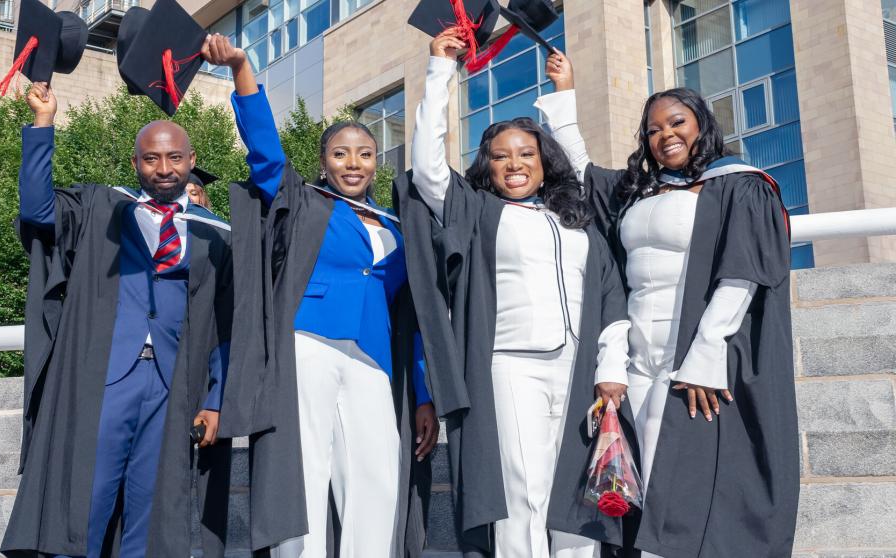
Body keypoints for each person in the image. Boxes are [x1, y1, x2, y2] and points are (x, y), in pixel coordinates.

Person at [536, 51, 800, 558]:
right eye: (653, 130)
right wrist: (565, 92)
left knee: (681, 474)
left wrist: (706, 354)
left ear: (702, 125)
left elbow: (741, 272)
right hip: (638, 354)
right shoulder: (638, 192)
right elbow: (582, 171)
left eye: (677, 122)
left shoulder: (738, 184)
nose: (665, 136)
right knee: (636, 471)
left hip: (693, 353)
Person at [200, 34, 439, 557]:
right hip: (307, 341)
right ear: (324, 160)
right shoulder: (305, 203)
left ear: (377, 160)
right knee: (304, 465)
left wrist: (423, 394)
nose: (353, 163)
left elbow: (413, 314)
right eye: (340, 153)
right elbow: (263, 151)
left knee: (377, 470)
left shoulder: (398, 223)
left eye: (365, 153)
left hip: (373, 355)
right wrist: (242, 68)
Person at [399, 29, 633, 558]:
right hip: (511, 365)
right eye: (501, 156)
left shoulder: (577, 223)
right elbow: (431, 170)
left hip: (578, 369)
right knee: (522, 490)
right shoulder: (478, 212)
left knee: (580, 488)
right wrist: (440, 71)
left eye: (526, 153)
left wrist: (611, 368)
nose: (514, 164)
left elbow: (610, 297)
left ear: (544, 160)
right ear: (489, 165)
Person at [1, 79, 233, 558]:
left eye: (173, 158)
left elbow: (228, 323)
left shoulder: (215, 236)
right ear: (135, 163)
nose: (163, 168)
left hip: (174, 383)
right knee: (83, 500)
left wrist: (215, 397)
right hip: (106, 374)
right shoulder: (102, 207)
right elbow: (38, 208)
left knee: (152, 512)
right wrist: (43, 124)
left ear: (191, 163)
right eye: (151, 158)